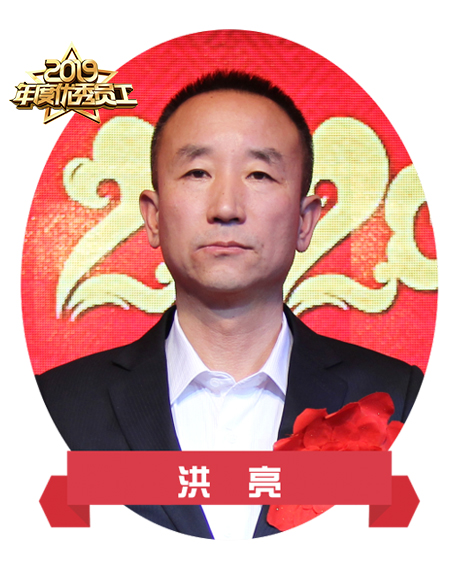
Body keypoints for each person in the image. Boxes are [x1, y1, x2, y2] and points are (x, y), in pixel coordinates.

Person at [36, 70, 423, 539]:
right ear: (153, 218)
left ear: (305, 222)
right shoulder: (56, 406)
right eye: (197, 173)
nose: (225, 207)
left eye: (259, 174)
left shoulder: (400, 397)